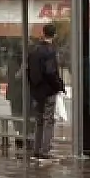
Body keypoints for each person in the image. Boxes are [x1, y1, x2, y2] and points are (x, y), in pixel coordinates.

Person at [24, 22, 65, 160]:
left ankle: (36, 149)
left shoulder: (34, 50)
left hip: (36, 91)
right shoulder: (50, 51)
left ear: (43, 33)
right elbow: (51, 72)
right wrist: (59, 86)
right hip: (48, 91)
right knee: (48, 120)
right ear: (54, 35)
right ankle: (45, 150)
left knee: (39, 120)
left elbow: (28, 71)